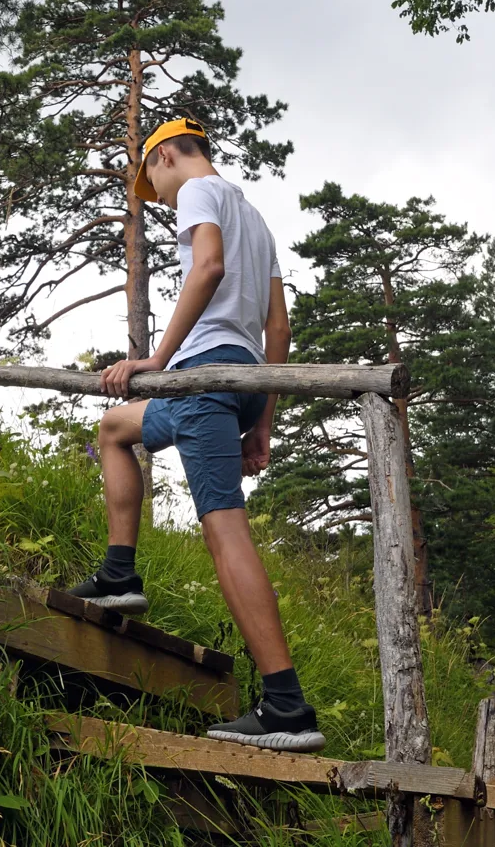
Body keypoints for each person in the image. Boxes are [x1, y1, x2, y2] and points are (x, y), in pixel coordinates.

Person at [62, 117, 325, 753]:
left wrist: (157, 357)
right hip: (234, 383)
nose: (158, 195)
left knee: (225, 528)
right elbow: (278, 332)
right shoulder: (257, 221)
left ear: (169, 156)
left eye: (154, 179)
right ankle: (119, 574)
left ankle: (287, 707)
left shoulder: (200, 192)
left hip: (201, 380)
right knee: (115, 427)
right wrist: (261, 420)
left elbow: (205, 268)